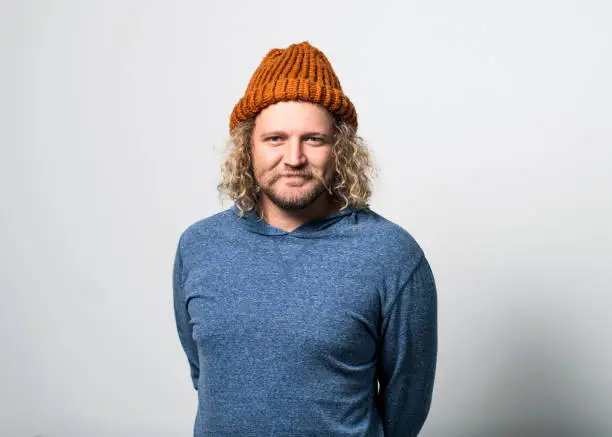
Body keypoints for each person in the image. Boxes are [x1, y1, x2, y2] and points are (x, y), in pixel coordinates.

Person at [173, 41, 437, 437]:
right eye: (275, 138)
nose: (294, 157)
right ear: (248, 146)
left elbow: (407, 400)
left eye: (313, 139)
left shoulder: (391, 255)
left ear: (340, 148)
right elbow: (206, 375)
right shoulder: (199, 246)